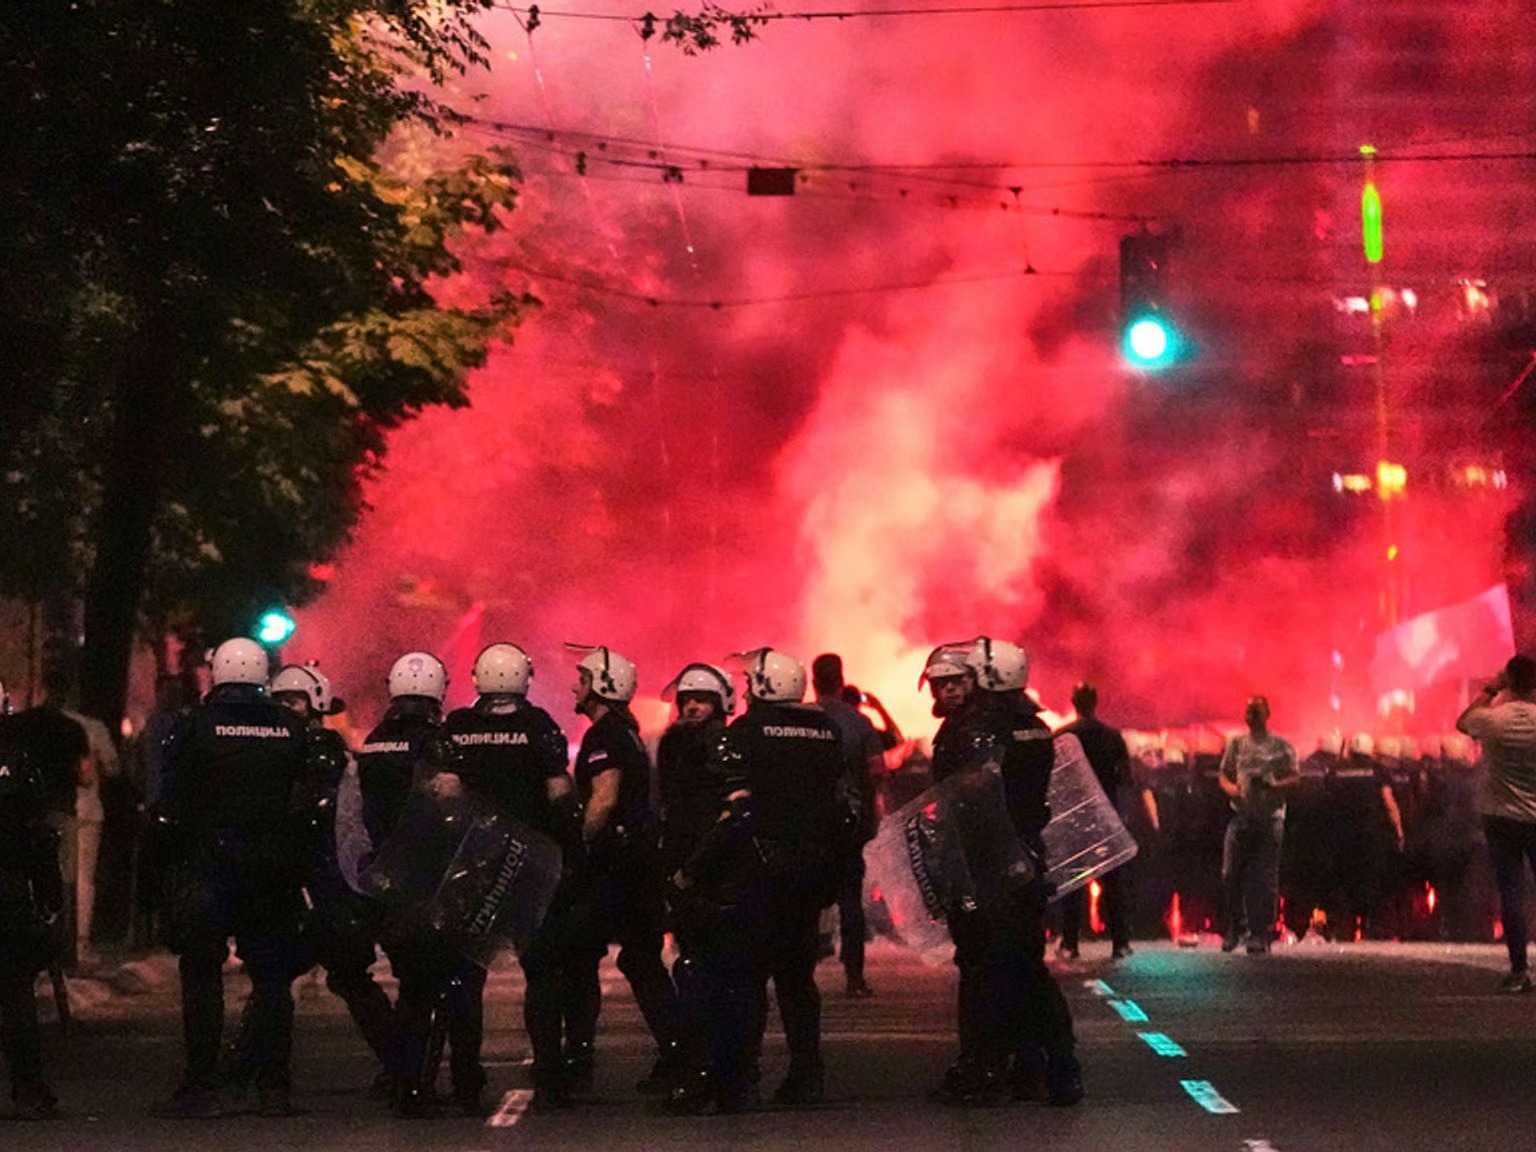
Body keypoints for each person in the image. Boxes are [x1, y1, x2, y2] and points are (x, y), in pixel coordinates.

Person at [152, 638, 311, 1118]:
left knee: (202, 973)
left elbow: (167, 803)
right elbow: (305, 801)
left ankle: (202, 1084)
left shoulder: (193, 727)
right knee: (272, 979)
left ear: (216, 674)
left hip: (209, 864)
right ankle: (273, 1086)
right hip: (272, 866)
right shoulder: (291, 727)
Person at [228, 664, 397, 1097]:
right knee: (279, 979)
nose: (288, 711)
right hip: (294, 879)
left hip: (322, 882)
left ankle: (402, 1065)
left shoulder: (321, 750)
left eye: (294, 702)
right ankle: (258, 1078)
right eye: (284, 702)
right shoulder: (287, 748)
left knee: (336, 976)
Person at [934, 637, 1082, 1107]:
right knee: (1025, 966)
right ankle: (1050, 1064)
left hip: (984, 865)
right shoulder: (1036, 727)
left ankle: (984, 1066)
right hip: (1026, 861)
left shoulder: (975, 730)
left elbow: (957, 800)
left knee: (980, 968)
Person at [443, 643, 580, 1112]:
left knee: (466, 975)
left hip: (474, 866)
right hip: (529, 865)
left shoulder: (458, 728)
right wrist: (571, 854)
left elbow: (442, 794)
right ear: (526, 677)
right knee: (541, 973)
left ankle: (465, 1079)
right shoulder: (539, 726)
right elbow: (559, 793)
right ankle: (549, 1075)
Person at [564, 644, 681, 1097]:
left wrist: (578, 847)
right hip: (638, 864)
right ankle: (678, 1050)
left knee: (580, 957)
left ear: (603, 685)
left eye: (584, 679)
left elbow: (604, 798)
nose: (577, 685)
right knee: (641, 959)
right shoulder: (625, 731)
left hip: (617, 867)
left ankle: (577, 1060)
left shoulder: (604, 736)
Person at [355, 650, 465, 1116]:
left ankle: (401, 1074)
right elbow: (452, 807)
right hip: (427, 877)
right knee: (429, 987)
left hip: (383, 878)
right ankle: (415, 1084)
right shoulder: (437, 745)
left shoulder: (375, 742)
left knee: (409, 980)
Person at [654, 662, 752, 1114]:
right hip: (691, 878)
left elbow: (735, 818)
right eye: (686, 699)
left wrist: (691, 871)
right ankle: (719, 1075)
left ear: (722, 705)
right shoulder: (678, 746)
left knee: (712, 980)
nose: (691, 706)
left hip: (719, 882)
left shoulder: (723, 746)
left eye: (702, 699)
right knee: (700, 975)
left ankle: (714, 1076)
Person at [0, 679, 64, 1120]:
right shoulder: (16, 765)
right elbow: (39, 838)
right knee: (14, 994)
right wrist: (49, 895)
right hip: (7, 888)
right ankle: (29, 1090)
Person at [1456, 654, 1536, 992]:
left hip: (1501, 815)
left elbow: (1464, 722)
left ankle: (1519, 970)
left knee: (1512, 893)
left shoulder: (1494, 720)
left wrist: (1491, 688)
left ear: (1509, 680)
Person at [1056, 682, 1151, 960]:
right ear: (1095, 701)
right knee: (1113, 881)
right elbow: (1126, 777)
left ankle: (1070, 944)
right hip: (1104, 813)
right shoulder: (1112, 736)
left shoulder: (1063, 736)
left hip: (1074, 816)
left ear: (1073, 701)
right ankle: (1120, 942)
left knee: (1072, 881)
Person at [811, 653, 884, 997]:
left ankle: (800, 970)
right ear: (841, 681)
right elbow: (876, 771)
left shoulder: (801, 720)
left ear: (812, 681)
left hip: (808, 824)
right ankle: (854, 977)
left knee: (805, 898)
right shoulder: (858, 723)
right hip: (849, 823)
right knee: (849, 900)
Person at [1218, 695, 1300, 955]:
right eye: (1248, 710)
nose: (1251, 714)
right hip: (1241, 816)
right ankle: (1236, 928)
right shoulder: (1237, 744)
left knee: (1264, 879)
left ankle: (1262, 933)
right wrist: (1233, 791)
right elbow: (1224, 775)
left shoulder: (1281, 746)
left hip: (1269, 817)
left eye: (1256, 710)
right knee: (1230, 873)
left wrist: (1273, 785)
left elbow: (1296, 777)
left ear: (1267, 714)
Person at [1322, 734, 1405, 942]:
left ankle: (1344, 930)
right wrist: (1399, 831)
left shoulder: (1337, 770)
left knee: (1344, 883)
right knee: (1371, 883)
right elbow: (1389, 803)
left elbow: (1327, 799)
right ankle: (1371, 929)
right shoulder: (1378, 770)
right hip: (1370, 838)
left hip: (1341, 837)